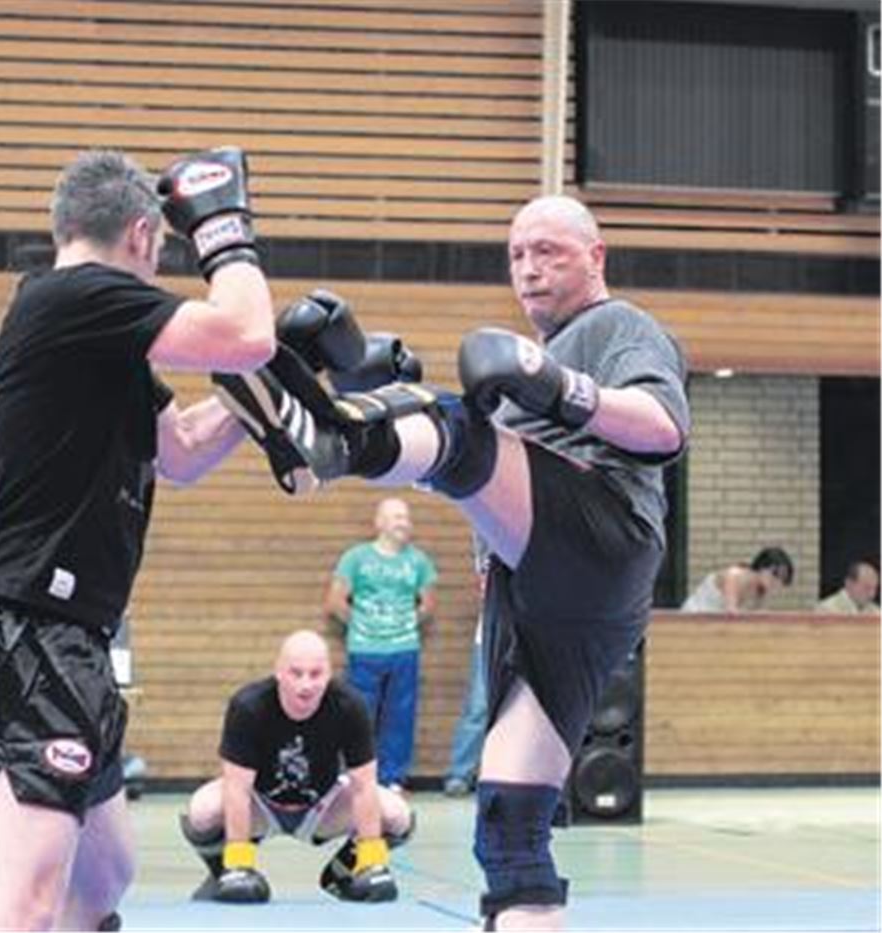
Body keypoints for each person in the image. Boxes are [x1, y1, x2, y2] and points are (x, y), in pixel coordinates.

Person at [213, 194, 691, 929]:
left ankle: (337, 441)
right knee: (508, 830)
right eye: (517, 255)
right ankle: (351, 421)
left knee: (456, 429)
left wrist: (562, 387)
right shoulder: (521, 384)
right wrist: (378, 389)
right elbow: (482, 490)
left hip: (605, 537)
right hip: (535, 599)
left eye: (548, 251)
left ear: (596, 256)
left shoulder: (618, 325)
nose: (529, 269)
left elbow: (664, 429)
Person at [0, 146, 276, 931]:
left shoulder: (93, 334)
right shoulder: (78, 295)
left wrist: (270, 389)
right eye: (163, 246)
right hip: (29, 636)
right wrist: (225, 231)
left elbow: (181, 451)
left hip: (62, 639)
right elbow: (245, 331)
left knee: (101, 878)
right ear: (142, 234)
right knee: (20, 908)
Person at [180, 630, 413, 904]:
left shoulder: (350, 705)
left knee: (397, 815)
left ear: (329, 674)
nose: (306, 685)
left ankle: (342, 874)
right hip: (262, 804)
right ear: (279, 672)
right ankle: (222, 872)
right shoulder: (249, 706)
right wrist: (239, 862)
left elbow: (363, 787)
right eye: (296, 673)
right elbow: (237, 790)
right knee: (202, 810)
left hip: (322, 807)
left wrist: (372, 860)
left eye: (316, 674)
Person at [323, 497, 438, 793]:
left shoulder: (419, 561)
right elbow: (335, 601)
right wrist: (363, 624)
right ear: (379, 522)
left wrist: (403, 624)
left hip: (404, 650)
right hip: (364, 650)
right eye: (397, 517)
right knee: (358, 715)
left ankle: (392, 779)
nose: (404, 523)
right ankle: (354, 776)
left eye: (406, 518)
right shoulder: (356, 558)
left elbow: (428, 605)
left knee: (400, 717)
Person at [444, 535, 491, 798]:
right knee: (477, 708)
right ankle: (460, 773)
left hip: (530, 640)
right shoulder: (487, 558)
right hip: (489, 640)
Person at [680, 547, 794, 613]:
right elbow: (732, 615)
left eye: (783, 579)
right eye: (775, 574)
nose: (777, 582)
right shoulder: (734, 576)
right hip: (694, 615)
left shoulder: (760, 591)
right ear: (762, 566)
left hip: (713, 624)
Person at [816, 561, 880, 614]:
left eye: (874, 588)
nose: (872, 594)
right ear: (849, 584)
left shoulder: (875, 612)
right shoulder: (826, 610)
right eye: (867, 588)